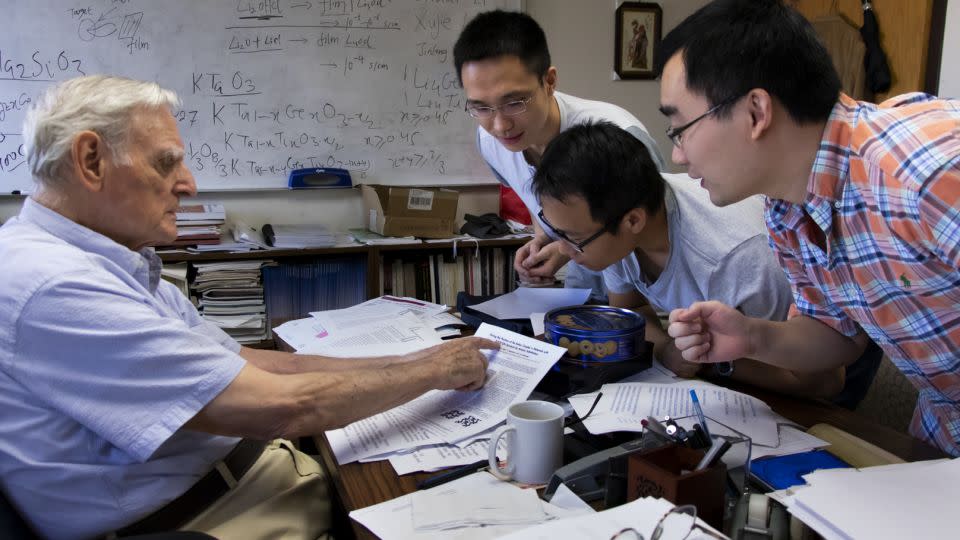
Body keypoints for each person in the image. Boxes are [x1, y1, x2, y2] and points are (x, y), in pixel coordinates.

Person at [0, 75, 498, 539]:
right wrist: (431, 374)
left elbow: (241, 363)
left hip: (240, 482)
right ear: (90, 160)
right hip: (208, 518)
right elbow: (280, 407)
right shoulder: (56, 284)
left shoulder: (108, 257)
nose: (188, 184)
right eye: (166, 162)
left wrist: (415, 361)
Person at [657, 0, 960, 455]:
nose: (678, 155)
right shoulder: (788, 207)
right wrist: (754, 337)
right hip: (941, 436)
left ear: (756, 112)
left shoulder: (920, 173)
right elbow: (836, 333)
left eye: (681, 127)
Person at [532, 120, 875, 399]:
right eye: (556, 233)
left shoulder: (739, 258)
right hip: (734, 371)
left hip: (825, 376)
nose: (563, 252)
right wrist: (669, 349)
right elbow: (633, 314)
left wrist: (711, 361)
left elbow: (823, 382)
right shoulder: (619, 223)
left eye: (573, 240)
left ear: (632, 221)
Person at [452, 10, 665, 298]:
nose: (500, 125)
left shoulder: (619, 138)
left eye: (515, 102)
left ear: (549, 81)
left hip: (645, 287)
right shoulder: (490, 142)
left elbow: (647, 230)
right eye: (481, 107)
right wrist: (545, 240)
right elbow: (537, 198)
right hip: (583, 276)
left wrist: (566, 248)